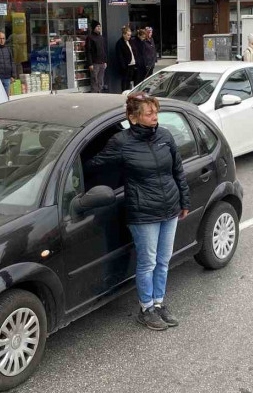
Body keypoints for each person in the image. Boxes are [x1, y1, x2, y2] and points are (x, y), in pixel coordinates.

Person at [86, 92, 190, 331]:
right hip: (143, 212)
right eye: (149, 113)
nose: (155, 117)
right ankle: (146, 308)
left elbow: (178, 171)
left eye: (156, 112)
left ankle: (159, 302)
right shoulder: (121, 142)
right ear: (133, 118)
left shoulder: (165, 136)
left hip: (170, 208)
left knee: (164, 260)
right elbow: (93, 165)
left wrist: (184, 201)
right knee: (148, 262)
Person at [86, 20, 107, 93]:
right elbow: (88, 51)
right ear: (94, 27)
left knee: (100, 81)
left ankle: (100, 94)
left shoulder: (101, 37)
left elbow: (103, 50)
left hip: (101, 63)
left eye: (99, 26)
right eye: (97, 26)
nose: (99, 28)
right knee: (94, 81)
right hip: (94, 63)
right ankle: (94, 95)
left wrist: (105, 61)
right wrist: (90, 63)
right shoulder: (90, 37)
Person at [116, 27, 137, 92]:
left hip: (132, 64)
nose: (129, 36)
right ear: (123, 34)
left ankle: (128, 92)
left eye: (130, 35)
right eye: (128, 35)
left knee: (129, 80)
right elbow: (120, 56)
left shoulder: (130, 41)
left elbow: (133, 51)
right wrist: (124, 66)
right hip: (126, 65)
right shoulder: (120, 43)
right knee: (124, 80)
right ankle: (124, 93)